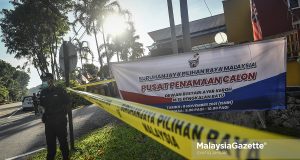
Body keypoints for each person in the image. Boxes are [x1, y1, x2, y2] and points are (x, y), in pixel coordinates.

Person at [39, 73, 70, 160]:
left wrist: (63, 116)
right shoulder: (43, 92)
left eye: (46, 79)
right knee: (50, 145)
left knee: (63, 143)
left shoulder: (60, 90)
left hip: (60, 121)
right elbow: (42, 106)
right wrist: (42, 113)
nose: (45, 81)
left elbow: (67, 103)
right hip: (49, 122)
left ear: (52, 80)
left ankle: (66, 158)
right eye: (43, 80)